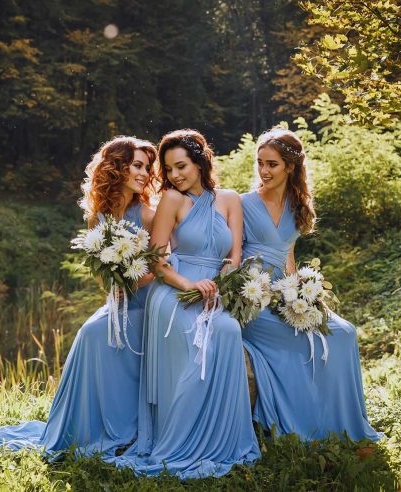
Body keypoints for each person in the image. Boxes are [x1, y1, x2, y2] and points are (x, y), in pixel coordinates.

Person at [0, 136, 158, 459]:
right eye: (137, 165)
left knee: (92, 333)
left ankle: (125, 425)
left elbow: (164, 265)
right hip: (117, 303)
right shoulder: (100, 217)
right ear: (117, 167)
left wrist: (133, 280)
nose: (145, 173)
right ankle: (85, 425)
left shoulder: (147, 215)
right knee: (88, 335)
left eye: (147, 168)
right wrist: (115, 283)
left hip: (146, 303)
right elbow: (102, 271)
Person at [112, 129, 260, 479]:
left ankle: (220, 439)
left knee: (225, 330)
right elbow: (158, 262)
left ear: (200, 162)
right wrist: (189, 284)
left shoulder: (230, 199)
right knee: (196, 347)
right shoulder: (171, 201)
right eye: (169, 169)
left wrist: (219, 289)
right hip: (174, 292)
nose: (175, 175)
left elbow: (235, 257)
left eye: (181, 166)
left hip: (215, 292)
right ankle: (179, 440)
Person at [241, 128, 382, 442]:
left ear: (290, 167)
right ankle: (303, 422)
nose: (264, 171)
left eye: (272, 164)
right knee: (299, 341)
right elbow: (232, 256)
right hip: (252, 301)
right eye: (260, 163)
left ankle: (340, 419)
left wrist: (303, 294)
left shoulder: (296, 206)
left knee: (343, 333)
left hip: (285, 296)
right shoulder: (243, 204)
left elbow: (288, 255)